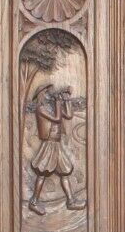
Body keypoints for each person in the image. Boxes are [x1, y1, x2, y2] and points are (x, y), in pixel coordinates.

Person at [27, 83, 86, 215]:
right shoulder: (41, 109)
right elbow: (57, 118)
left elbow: (68, 115)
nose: (50, 94)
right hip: (49, 144)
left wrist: (66, 100)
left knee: (64, 172)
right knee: (42, 173)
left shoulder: (52, 107)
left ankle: (71, 201)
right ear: (41, 94)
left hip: (56, 144)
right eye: (47, 92)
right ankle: (34, 202)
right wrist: (58, 103)